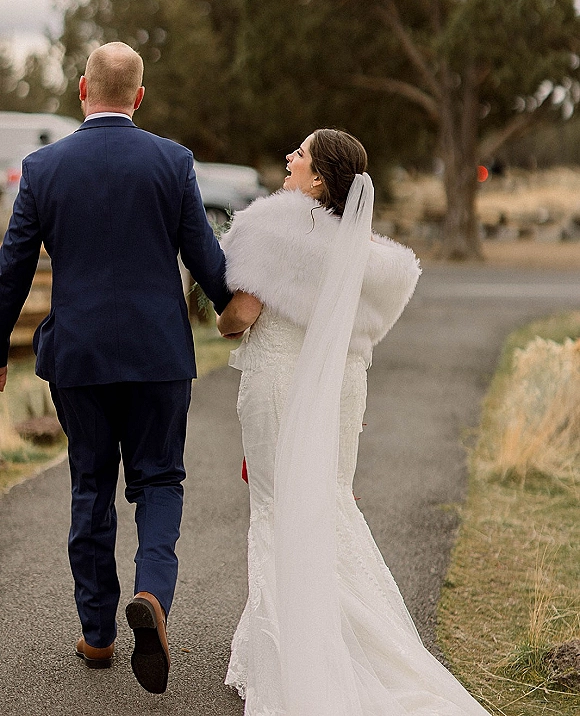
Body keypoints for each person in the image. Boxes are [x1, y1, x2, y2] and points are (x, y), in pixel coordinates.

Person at [216, 128, 490, 715]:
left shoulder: (273, 229)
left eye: (301, 153)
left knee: (275, 510)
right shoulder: (372, 261)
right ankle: (300, 639)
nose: (289, 157)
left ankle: (296, 656)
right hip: (343, 394)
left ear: (316, 180)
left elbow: (240, 317)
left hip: (280, 385)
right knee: (328, 504)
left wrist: (211, 309)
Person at [0, 42, 232, 695]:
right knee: (159, 482)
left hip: (78, 357)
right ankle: (153, 596)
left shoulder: (44, 168)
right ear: (139, 96)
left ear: (82, 89)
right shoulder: (172, 161)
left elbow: (13, 268)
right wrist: (240, 312)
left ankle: (98, 635)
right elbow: (206, 260)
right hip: (159, 356)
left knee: (90, 487)